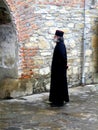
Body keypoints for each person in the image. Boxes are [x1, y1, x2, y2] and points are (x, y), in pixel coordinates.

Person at [49, 30, 69, 107]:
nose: (54, 37)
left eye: (55, 36)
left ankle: (58, 102)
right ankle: (56, 100)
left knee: (58, 85)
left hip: (59, 70)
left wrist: (64, 66)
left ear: (58, 37)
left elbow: (63, 57)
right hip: (58, 69)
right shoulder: (59, 45)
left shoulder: (60, 45)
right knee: (58, 85)